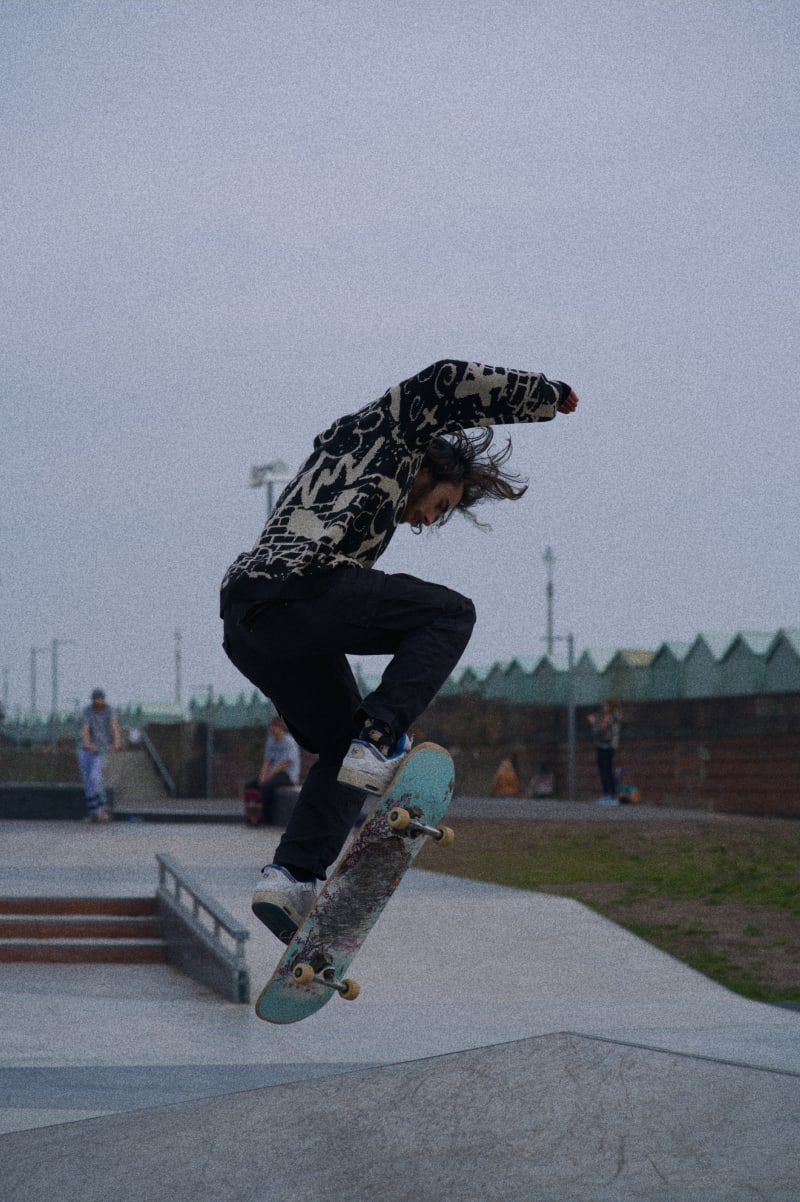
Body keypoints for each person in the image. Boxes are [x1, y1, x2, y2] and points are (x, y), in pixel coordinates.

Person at [220, 358, 579, 942]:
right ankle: (382, 738)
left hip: (249, 622)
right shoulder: (396, 432)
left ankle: (291, 878)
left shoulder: (350, 488)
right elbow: (442, 380)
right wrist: (546, 395)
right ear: (435, 468)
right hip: (301, 584)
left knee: (342, 747)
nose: (423, 519)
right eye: (438, 505)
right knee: (449, 613)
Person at [76, 688, 121, 822]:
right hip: (85, 749)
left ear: (103, 700)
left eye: (99, 699)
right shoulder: (87, 710)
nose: (97, 702)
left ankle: (103, 807)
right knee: (88, 782)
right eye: (95, 699)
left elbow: (114, 727)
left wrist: (117, 742)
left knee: (95, 777)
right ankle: (93, 812)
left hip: (100, 749)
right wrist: (87, 743)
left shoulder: (110, 711)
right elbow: (85, 728)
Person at [245, 716, 301, 823]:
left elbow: (284, 764)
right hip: (273, 774)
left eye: (274, 727)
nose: (272, 729)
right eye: (271, 727)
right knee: (250, 785)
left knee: (266, 786)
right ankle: (252, 815)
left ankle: (266, 817)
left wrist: (269, 775)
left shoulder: (289, 742)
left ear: (280, 728)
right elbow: (267, 760)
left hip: (287, 775)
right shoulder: (271, 741)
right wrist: (262, 775)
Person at [587, 700, 621, 800]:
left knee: (608, 769)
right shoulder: (601, 717)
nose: (604, 707)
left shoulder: (612, 719)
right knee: (602, 769)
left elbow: (607, 735)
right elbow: (596, 732)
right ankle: (606, 792)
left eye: (606, 706)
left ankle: (612, 792)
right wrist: (594, 723)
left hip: (608, 747)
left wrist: (594, 724)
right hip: (600, 746)